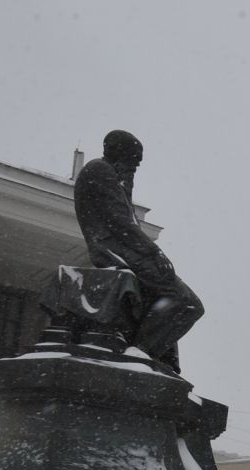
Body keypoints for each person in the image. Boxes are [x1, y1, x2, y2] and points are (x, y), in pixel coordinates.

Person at [73, 129, 203, 372]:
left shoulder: (110, 175)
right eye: (134, 160)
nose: (135, 167)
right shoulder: (100, 171)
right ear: (119, 153)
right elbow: (122, 223)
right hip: (117, 252)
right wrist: (155, 252)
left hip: (125, 250)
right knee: (188, 303)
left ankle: (153, 355)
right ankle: (141, 351)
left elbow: (124, 221)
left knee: (179, 301)